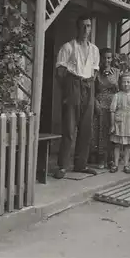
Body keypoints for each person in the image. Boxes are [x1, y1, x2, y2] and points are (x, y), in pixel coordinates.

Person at [54, 15, 99, 178]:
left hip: (89, 85)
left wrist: (89, 89)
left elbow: (94, 71)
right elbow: (59, 72)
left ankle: (81, 164)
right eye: (83, 26)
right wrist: (68, 91)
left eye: (88, 26)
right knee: (69, 128)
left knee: (86, 128)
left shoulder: (94, 50)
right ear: (78, 28)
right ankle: (63, 165)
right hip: (73, 85)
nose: (86, 30)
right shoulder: (68, 47)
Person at [90, 48, 120, 169]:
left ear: (112, 59)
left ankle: (111, 160)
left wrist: (115, 83)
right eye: (104, 58)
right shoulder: (96, 72)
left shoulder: (116, 72)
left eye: (109, 58)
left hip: (113, 103)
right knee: (100, 131)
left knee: (112, 131)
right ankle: (101, 159)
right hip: (100, 102)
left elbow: (121, 90)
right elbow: (91, 89)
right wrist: (95, 102)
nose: (107, 60)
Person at [109, 73, 130, 174]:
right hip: (119, 122)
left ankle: (126, 164)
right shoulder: (117, 96)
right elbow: (112, 111)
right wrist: (113, 125)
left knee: (128, 145)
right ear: (120, 83)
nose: (126, 84)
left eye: (128, 82)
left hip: (129, 122)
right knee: (117, 144)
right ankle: (116, 164)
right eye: (124, 82)